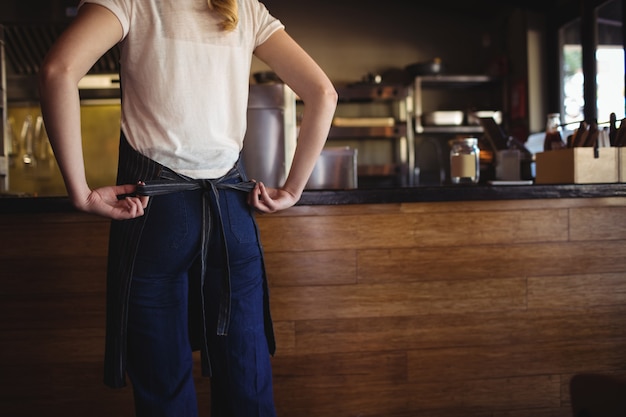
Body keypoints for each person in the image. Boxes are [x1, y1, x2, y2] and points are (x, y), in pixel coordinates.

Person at [38, 0, 337, 416]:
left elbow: (57, 71)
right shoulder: (246, 7)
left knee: (165, 389)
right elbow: (323, 92)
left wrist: (81, 191)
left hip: (154, 214)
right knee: (246, 381)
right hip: (233, 212)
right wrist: (292, 189)